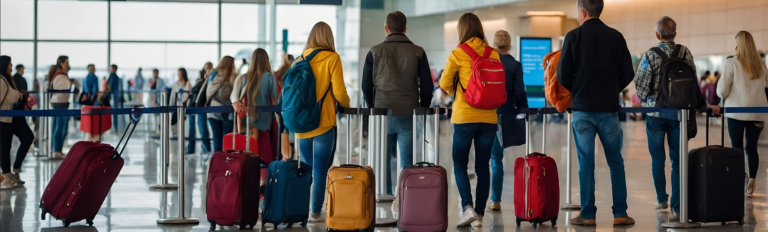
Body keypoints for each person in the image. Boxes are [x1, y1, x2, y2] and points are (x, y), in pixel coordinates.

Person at [557, 0, 635, 225]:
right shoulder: (616, 36)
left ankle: (588, 215)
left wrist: (578, 89)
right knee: (615, 162)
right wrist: (612, 88)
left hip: (582, 110)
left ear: (582, 12)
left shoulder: (573, 37)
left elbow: (562, 75)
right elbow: (628, 72)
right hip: (609, 109)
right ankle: (620, 214)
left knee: (586, 163)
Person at [634, 16, 720, 221]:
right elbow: (693, 86)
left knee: (657, 160)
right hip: (680, 116)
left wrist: (650, 100)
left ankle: (661, 199)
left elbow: (641, 87)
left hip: (655, 115)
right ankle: (677, 207)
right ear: (675, 34)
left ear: (657, 34)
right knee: (677, 161)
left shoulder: (650, 55)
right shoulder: (684, 52)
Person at [361, 10, 434, 209]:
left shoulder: (374, 52)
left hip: (381, 113)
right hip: (407, 112)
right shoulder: (418, 51)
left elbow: (366, 85)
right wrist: (423, 107)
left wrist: (372, 108)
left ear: (386, 29)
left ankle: (383, 197)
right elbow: (427, 86)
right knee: (406, 158)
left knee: (382, 158)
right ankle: (403, 197)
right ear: (405, 29)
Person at [438, 12, 499, 227]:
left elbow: (444, 84)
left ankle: (468, 207)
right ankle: (480, 216)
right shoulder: (493, 54)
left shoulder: (458, 53)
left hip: (464, 116)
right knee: (483, 167)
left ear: (462, 30)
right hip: (489, 117)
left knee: (459, 163)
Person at [290, 21, 351, 223]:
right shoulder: (332, 58)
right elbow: (340, 92)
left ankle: (301, 209)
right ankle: (315, 212)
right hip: (323, 122)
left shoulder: (298, 60)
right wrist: (346, 103)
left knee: (307, 168)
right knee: (320, 170)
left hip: (301, 125)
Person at [717, 31, 768, 197]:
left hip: (736, 113)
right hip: (758, 113)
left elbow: (722, 91)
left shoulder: (732, 62)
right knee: (752, 148)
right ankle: (752, 179)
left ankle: (739, 180)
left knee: (737, 148)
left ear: (738, 44)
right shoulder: (761, 64)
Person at [488, 30, 528, 211]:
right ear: (509, 45)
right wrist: (524, 111)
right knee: (497, 158)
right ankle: (495, 200)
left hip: (486, 114)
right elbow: (519, 92)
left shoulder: (487, 63)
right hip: (505, 115)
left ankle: (481, 201)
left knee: (485, 158)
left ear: (494, 45)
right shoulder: (515, 65)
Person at [231, 48, 279, 187]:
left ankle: (249, 185)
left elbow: (234, 96)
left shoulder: (243, 77)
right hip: (264, 125)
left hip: (246, 126)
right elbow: (276, 101)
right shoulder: (270, 77)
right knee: (266, 158)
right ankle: (264, 187)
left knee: (248, 156)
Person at [0, 56, 33, 188]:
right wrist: (20, 95)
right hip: (6, 116)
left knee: (27, 138)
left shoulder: (9, 78)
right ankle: (7, 175)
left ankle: (13, 170)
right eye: (9, 63)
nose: (11, 66)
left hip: (14, 115)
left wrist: (19, 95)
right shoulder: (2, 79)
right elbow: (10, 96)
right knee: (4, 146)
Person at [206, 56, 236, 153]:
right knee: (218, 142)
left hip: (228, 114)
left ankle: (225, 164)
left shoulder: (232, 76)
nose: (234, 66)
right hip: (214, 113)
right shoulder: (215, 73)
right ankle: (218, 165)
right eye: (232, 64)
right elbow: (209, 92)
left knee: (227, 143)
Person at [188, 62, 213, 156]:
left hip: (208, 108)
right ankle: (205, 152)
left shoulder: (211, 79)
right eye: (207, 68)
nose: (209, 70)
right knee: (202, 129)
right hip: (200, 108)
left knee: (204, 131)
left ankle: (207, 151)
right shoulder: (201, 81)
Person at [50, 56, 72, 159]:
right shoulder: (60, 76)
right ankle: (57, 150)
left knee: (60, 127)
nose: (68, 64)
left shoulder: (60, 75)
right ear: (61, 63)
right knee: (60, 127)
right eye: (66, 62)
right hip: (60, 103)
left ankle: (57, 149)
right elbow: (63, 88)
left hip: (60, 103)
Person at [82, 64, 103, 141]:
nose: (93, 69)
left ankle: (89, 134)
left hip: (89, 101)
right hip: (92, 101)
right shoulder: (92, 78)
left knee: (89, 118)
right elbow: (93, 90)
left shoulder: (86, 78)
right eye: (91, 68)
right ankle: (93, 135)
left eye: (93, 68)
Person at [107, 65, 121, 132]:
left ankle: (114, 127)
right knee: (115, 112)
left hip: (112, 96)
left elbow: (110, 87)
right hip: (115, 96)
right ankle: (115, 127)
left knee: (113, 112)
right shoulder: (116, 77)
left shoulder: (112, 76)